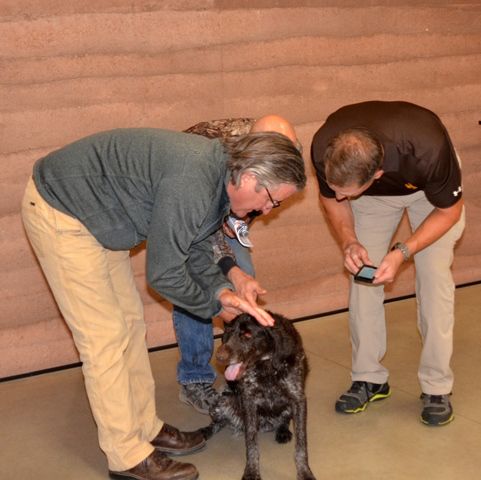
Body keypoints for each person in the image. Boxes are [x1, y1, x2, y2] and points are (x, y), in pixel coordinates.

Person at [21, 128, 306, 480]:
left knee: (130, 324)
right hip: (65, 211)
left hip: (101, 220)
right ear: (249, 178)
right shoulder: (194, 180)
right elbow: (164, 274)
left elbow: (195, 243)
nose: (267, 209)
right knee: (105, 339)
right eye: (271, 200)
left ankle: (145, 427)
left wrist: (221, 290)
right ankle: (126, 455)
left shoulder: (218, 178)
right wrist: (214, 307)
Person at [311, 100, 465, 426]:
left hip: (429, 193)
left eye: (346, 193)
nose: (340, 198)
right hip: (373, 198)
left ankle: (437, 386)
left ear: (378, 174)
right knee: (363, 275)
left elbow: (449, 212)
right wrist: (349, 241)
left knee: (433, 276)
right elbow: (331, 200)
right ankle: (370, 378)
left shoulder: (428, 147)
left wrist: (402, 252)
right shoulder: (326, 149)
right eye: (337, 189)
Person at [174, 115, 303, 414]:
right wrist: (225, 267)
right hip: (190, 209)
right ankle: (195, 378)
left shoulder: (286, 154)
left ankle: (238, 360)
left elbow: (268, 197)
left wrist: (241, 219)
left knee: (245, 281)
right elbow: (203, 234)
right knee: (195, 287)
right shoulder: (215, 154)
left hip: (230, 210)